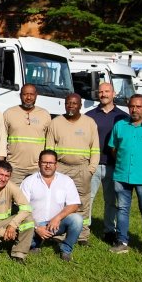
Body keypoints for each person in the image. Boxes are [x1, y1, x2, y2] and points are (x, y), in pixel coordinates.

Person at [108, 94, 142, 259]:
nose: (134, 109)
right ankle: (122, 242)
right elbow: (113, 148)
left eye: (139, 106)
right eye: (132, 106)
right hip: (122, 175)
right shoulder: (120, 125)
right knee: (122, 209)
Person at [45, 93, 99, 244]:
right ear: (64, 104)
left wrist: (91, 170)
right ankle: (58, 233)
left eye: (74, 103)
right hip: (61, 168)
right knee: (59, 201)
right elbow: (49, 147)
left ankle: (82, 235)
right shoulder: (55, 122)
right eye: (68, 103)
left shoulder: (89, 123)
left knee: (82, 202)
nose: (71, 106)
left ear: (80, 105)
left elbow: (95, 149)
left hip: (82, 168)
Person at [20, 150, 84, 262]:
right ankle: (36, 243)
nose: (48, 165)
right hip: (34, 225)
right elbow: (22, 208)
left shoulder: (66, 181)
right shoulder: (29, 182)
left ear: (56, 164)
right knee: (24, 243)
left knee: (77, 219)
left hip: (56, 224)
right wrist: (36, 227)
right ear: (39, 163)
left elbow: (74, 205)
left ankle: (66, 250)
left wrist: (57, 218)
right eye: (44, 162)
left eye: (51, 163)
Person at [85, 82, 128, 244]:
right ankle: (84, 229)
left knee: (111, 201)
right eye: (101, 92)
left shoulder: (122, 117)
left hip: (113, 166)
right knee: (88, 198)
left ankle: (109, 230)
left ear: (114, 93)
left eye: (107, 91)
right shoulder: (89, 115)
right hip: (93, 164)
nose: (103, 94)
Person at [3, 84, 51, 185]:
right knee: (13, 198)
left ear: (36, 95)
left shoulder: (45, 115)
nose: (28, 97)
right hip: (14, 167)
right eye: (25, 94)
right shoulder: (9, 113)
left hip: (36, 167)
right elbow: (2, 139)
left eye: (31, 94)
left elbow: (49, 141)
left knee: (35, 199)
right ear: (20, 95)